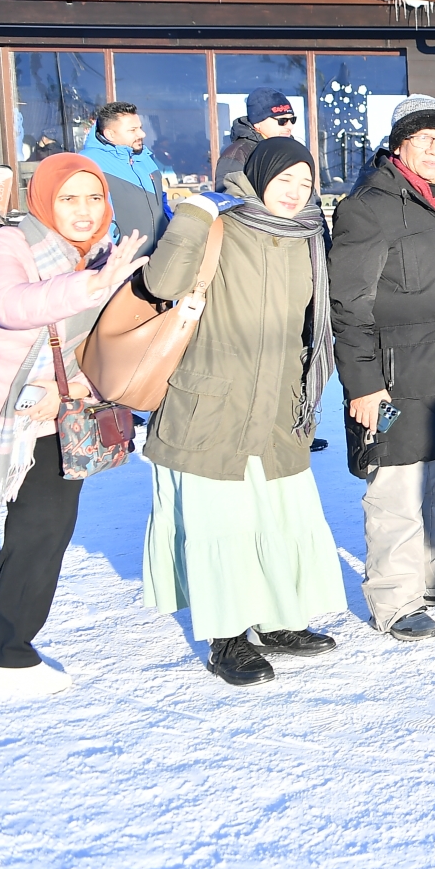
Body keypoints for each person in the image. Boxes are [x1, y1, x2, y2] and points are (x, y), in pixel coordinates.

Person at [141, 139, 347, 687]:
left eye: (305, 183)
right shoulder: (217, 222)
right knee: (223, 523)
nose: (295, 192)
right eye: (285, 180)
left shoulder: (306, 236)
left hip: (281, 404)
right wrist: (193, 214)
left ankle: (278, 620)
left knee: (278, 516)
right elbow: (160, 284)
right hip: (212, 401)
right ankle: (226, 635)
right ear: (256, 177)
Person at [330, 94, 435, 643]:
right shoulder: (370, 207)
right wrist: (362, 384)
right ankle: (396, 599)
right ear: (399, 144)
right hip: (395, 378)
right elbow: (348, 305)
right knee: (396, 498)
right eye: (424, 138)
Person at [0, 156, 145, 700]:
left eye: (93, 198)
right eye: (68, 198)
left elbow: (109, 351)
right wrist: (91, 284)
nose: (83, 210)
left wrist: (74, 393)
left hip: (52, 421)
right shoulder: (6, 246)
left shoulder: (107, 257)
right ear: (44, 198)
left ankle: (7, 653)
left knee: (42, 535)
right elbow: (3, 303)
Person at [82, 101, 170, 257]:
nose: (142, 134)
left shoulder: (145, 157)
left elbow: (161, 200)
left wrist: (171, 228)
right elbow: (89, 215)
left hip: (158, 259)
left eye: (140, 128)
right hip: (120, 264)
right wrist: (112, 252)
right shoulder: (88, 163)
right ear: (110, 134)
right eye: (133, 130)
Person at [215, 87, 299, 187]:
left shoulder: (295, 151)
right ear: (258, 123)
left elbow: (311, 194)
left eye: (292, 120)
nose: (290, 126)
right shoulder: (238, 154)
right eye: (282, 121)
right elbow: (230, 198)